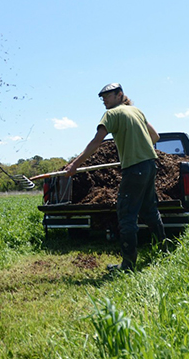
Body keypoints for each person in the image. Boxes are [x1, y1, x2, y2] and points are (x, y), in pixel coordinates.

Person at [63, 83, 166, 271]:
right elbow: (155, 136)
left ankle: (128, 264)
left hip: (134, 169)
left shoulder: (111, 114)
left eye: (107, 96)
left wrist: (75, 164)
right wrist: (137, 148)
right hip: (150, 164)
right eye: (102, 98)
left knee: (127, 214)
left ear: (119, 95)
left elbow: (97, 141)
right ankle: (163, 251)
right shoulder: (136, 111)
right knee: (150, 209)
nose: (104, 100)